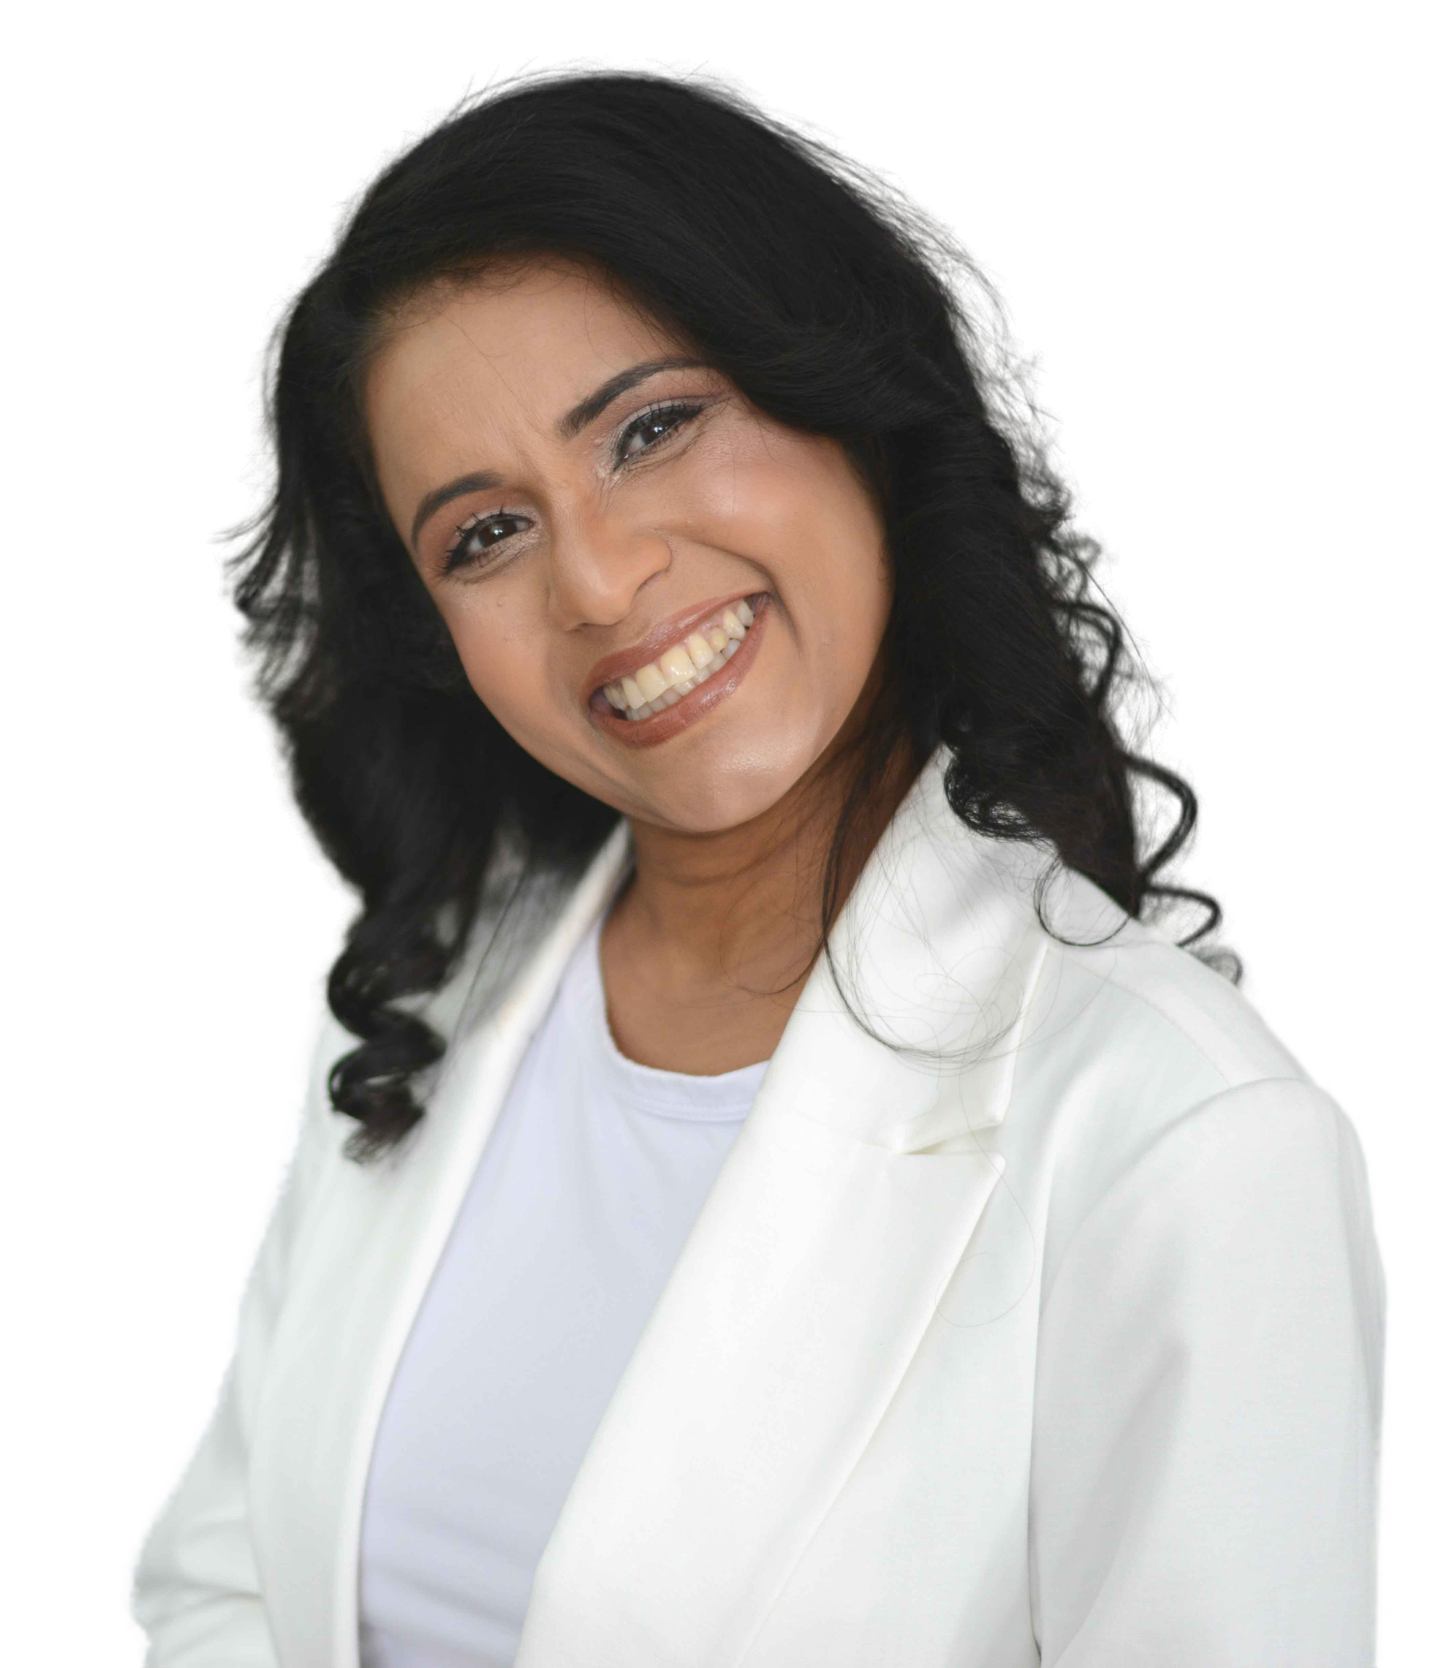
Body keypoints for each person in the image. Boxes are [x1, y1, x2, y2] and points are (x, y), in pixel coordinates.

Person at [122, 64, 1389, 1667]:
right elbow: (218, 1587)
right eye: (484, 534)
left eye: (652, 428)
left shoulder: (1182, 1138)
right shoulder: (413, 1010)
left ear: (844, 398)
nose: (598, 578)